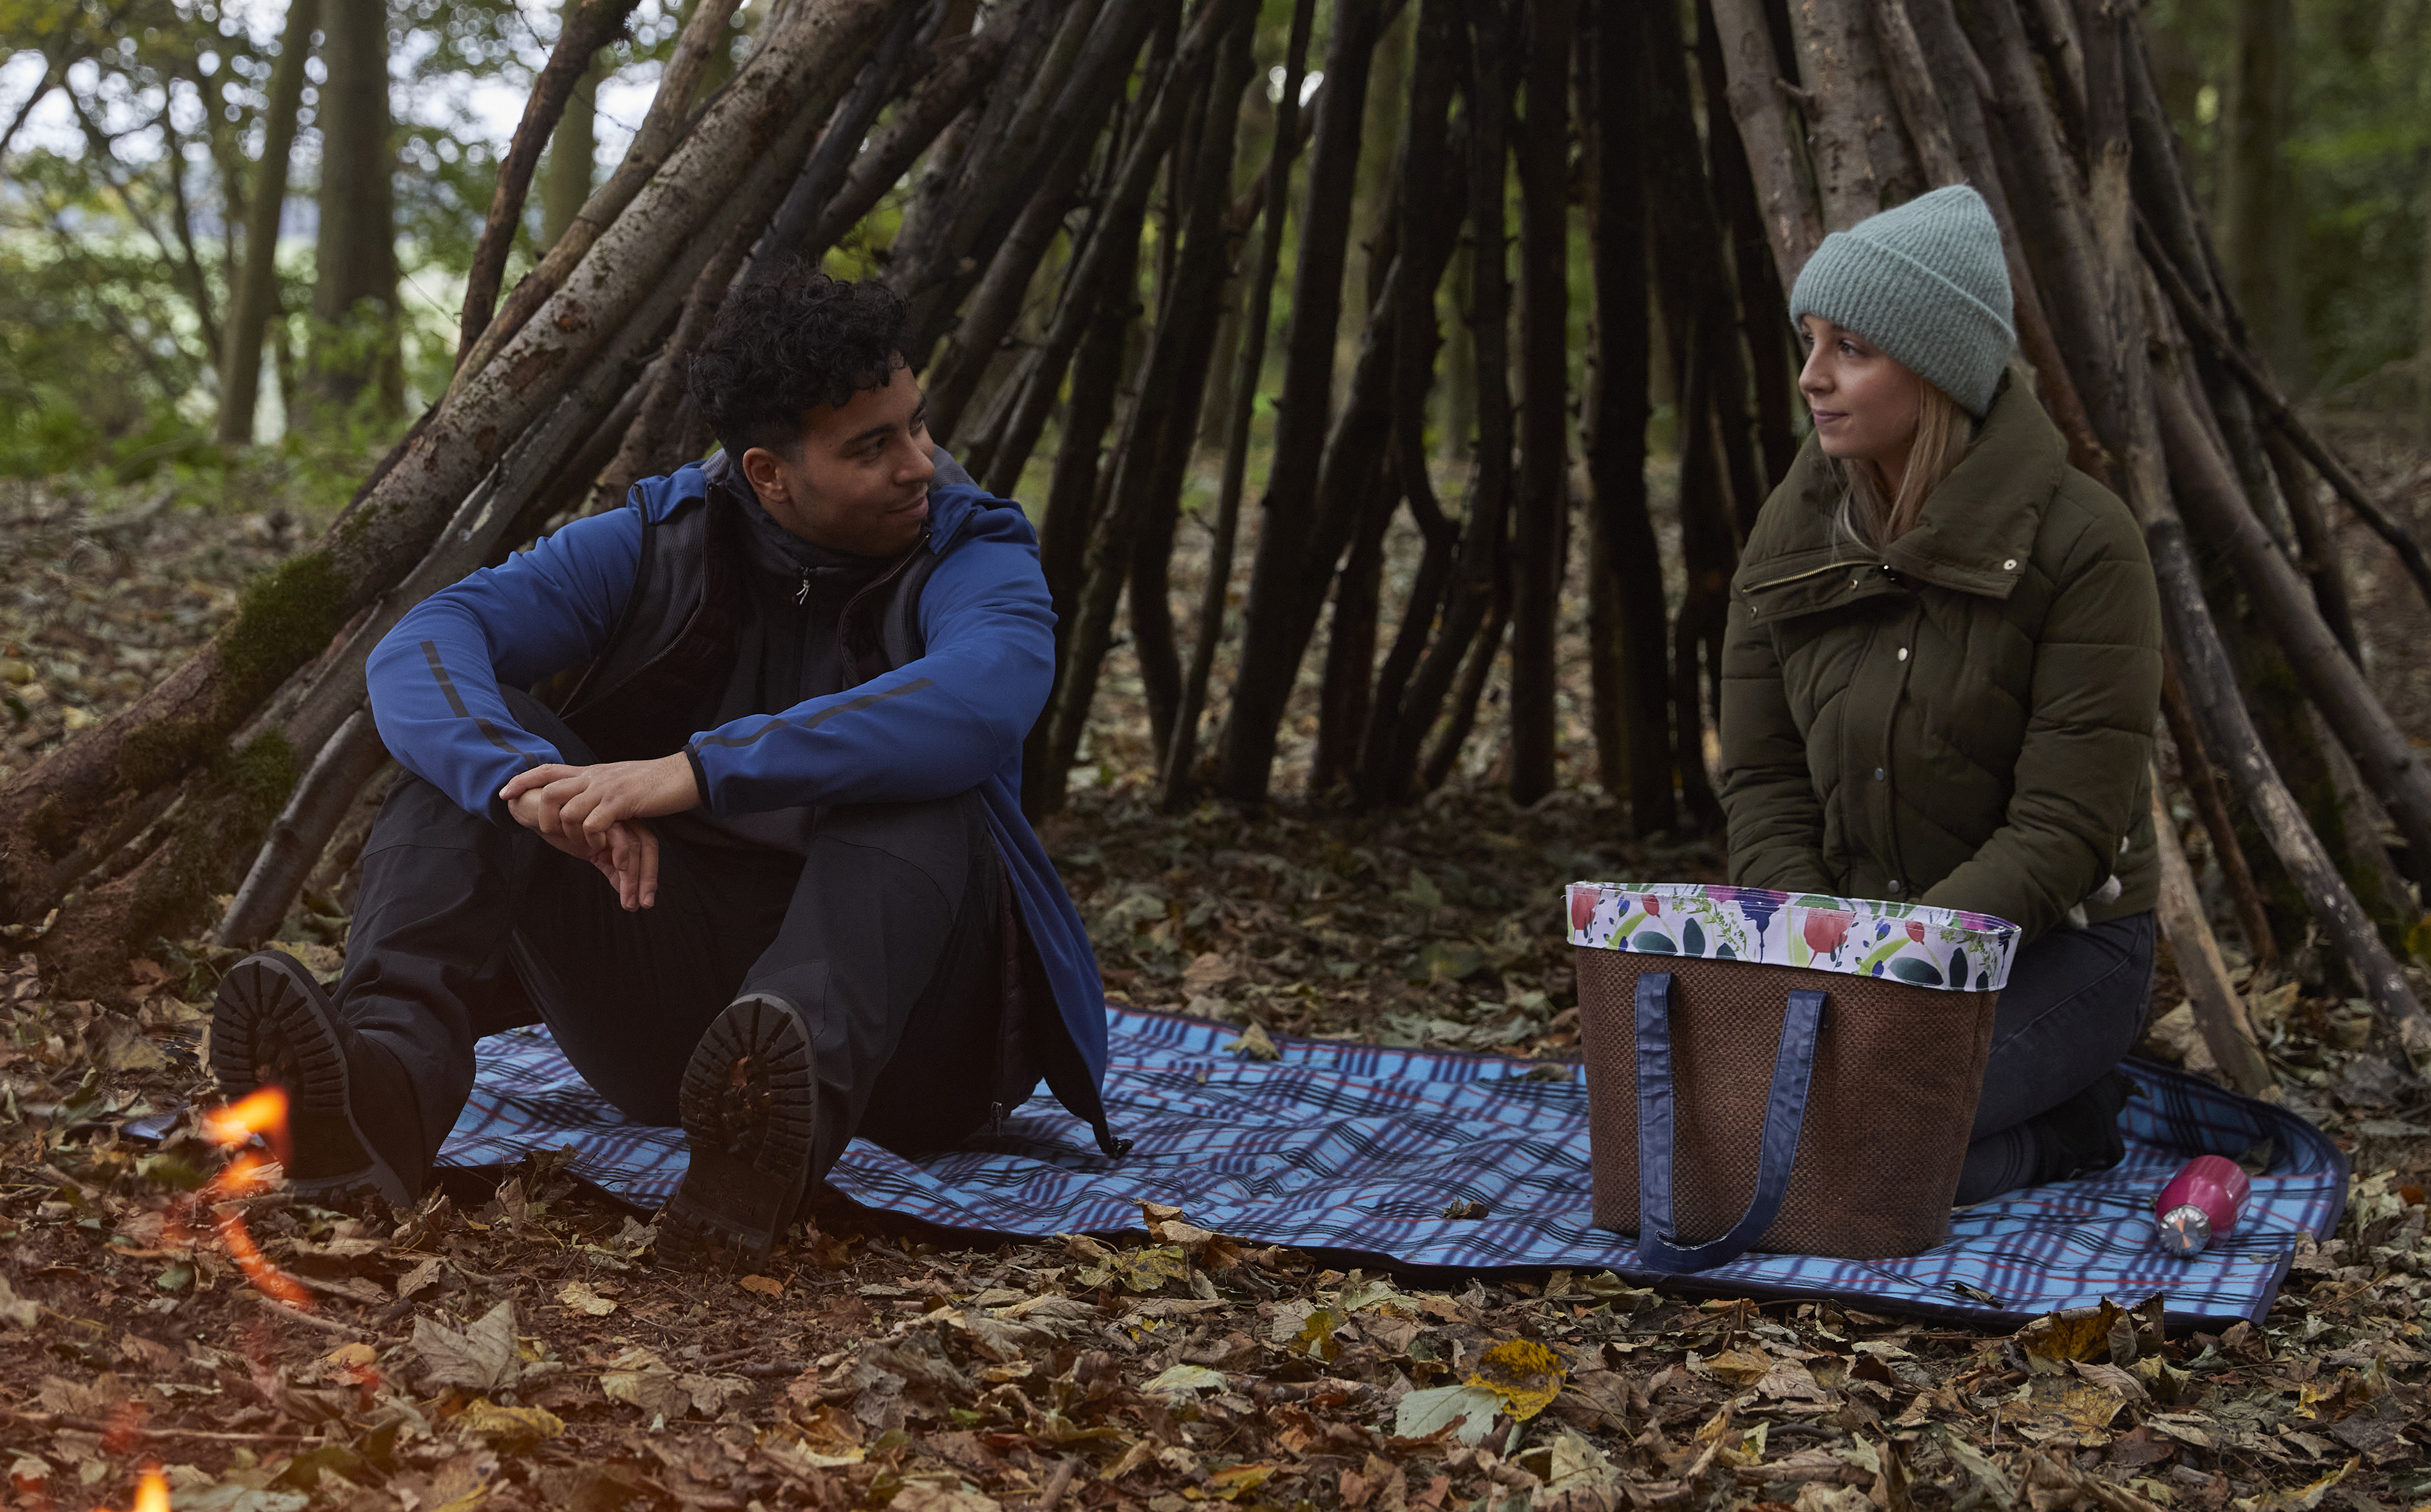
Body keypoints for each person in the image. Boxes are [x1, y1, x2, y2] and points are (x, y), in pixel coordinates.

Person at [206, 269, 1126, 1259]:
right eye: (873, 447)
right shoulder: (665, 537)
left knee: (918, 779)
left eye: (917, 424)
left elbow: (980, 697)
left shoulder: (974, 547)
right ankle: (380, 1093)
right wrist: (524, 785)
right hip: (682, 1023)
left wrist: (695, 769)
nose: (921, 465)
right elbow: (424, 643)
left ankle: (769, 1145)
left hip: (919, 1048)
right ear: (768, 473)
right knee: (477, 754)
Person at [1718, 185, 2162, 1203]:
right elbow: (1763, 782)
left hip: (2052, 951)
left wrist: (1893, 967)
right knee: (1717, 1122)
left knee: (1842, 1146)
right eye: (1809, 341)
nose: (1812, 376)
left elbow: (2063, 829)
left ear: (1937, 368)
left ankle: (2069, 1127)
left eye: (1851, 349)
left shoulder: (2087, 545)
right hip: (1843, 944)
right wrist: (1818, 950)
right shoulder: (1791, 535)